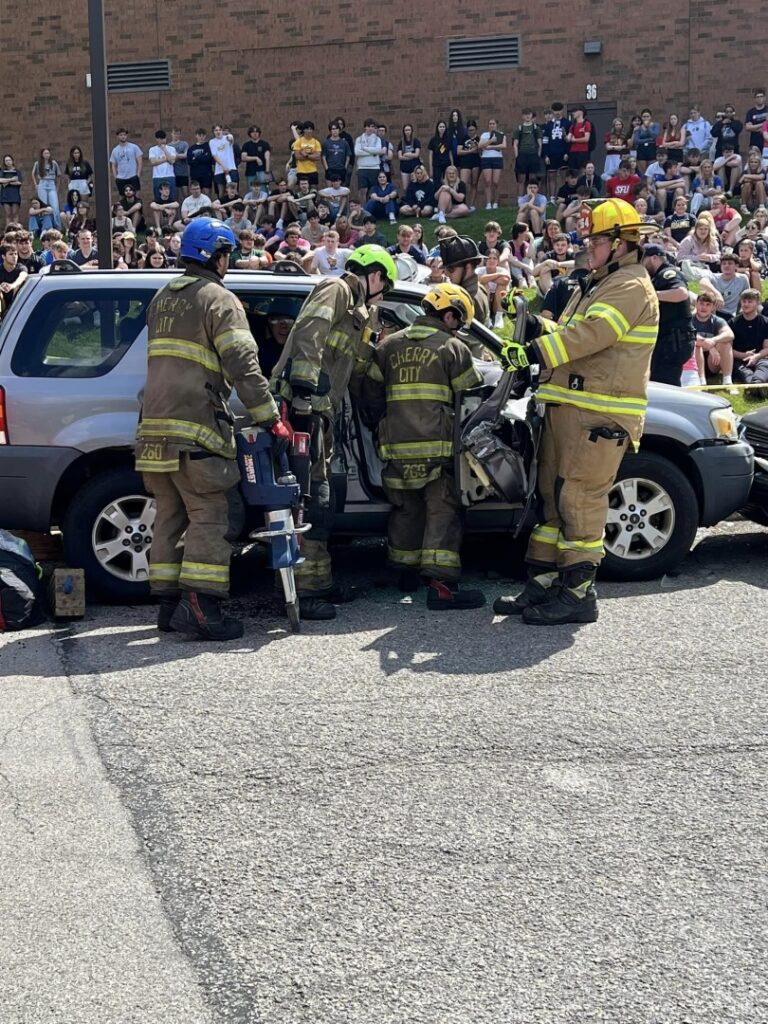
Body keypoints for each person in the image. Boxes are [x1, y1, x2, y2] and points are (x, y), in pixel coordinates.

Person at [493, 198, 658, 625]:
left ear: (620, 243)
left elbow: (592, 335)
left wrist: (533, 351)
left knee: (579, 499)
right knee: (553, 498)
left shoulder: (629, 285)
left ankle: (579, 595)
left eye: (597, 240)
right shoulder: (598, 283)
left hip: (599, 415)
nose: (589, 247)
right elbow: (568, 332)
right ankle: (545, 583)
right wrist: (533, 324)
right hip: (570, 408)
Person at [135, 217, 285, 641]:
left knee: (169, 514)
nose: (228, 262)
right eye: (226, 254)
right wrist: (270, 416)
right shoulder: (219, 299)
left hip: (153, 431)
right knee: (210, 514)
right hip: (196, 426)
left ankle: (169, 607)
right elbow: (243, 365)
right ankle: (202, 607)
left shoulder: (163, 298)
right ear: (215, 256)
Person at [269, 244, 397, 620]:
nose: (384, 294)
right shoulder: (336, 289)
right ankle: (301, 592)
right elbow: (310, 333)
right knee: (304, 499)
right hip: (301, 410)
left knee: (320, 496)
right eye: (385, 286)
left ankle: (318, 583)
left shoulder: (359, 313)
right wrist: (304, 394)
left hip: (320, 413)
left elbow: (352, 367)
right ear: (374, 275)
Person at [361, 283, 485, 609]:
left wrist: (384, 426)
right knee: (442, 512)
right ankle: (442, 587)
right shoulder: (452, 348)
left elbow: (370, 398)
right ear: (448, 315)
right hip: (438, 449)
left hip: (396, 449)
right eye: (457, 321)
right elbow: (471, 400)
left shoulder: (387, 346)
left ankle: (405, 573)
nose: (456, 328)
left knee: (406, 510)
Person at [641, 243, 695, 385]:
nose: (641, 265)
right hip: (667, 340)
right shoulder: (657, 277)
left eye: (642, 260)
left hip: (673, 341)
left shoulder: (668, 273)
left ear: (654, 258)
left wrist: (651, 295)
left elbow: (681, 293)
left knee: (664, 383)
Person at [438, 234, 490, 327]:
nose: (446, 274)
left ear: (467, 267)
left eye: (450, 269)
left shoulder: (465, 300)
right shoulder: (479, 288)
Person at [689, 292, 734, 386]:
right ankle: (701, 381)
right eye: (701, 303)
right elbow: (689, 335)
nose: (704, 307)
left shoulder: (718, 320)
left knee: (726, 344)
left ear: (713, 307)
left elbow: (730, 334)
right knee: (696, 345)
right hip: (693, 362)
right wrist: (709, 346)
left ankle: (727, 381)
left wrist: (713, 340)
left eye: (708, 305)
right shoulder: (689, 320)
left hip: (712, 361)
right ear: (696, 304)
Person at [731, 289, 768, 391]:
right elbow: (727, 349)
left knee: (764, 366)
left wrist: (756, 356)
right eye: (744, 301)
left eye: (750, 302)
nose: (746, 304)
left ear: (757, 303)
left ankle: (756, 384)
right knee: (744, 372)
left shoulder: (765, 322)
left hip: (760, 358)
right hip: (739, 360)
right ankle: (755, 387)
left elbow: (767, 348)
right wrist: (743, 355)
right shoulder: (733, 323)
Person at [478, 118, 506, 209]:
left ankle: (496, 202)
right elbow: (480, 146)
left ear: (496, 125)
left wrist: (489, 147)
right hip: (486, 159)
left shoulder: (501, 134)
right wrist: (491, 141)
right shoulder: (484, 135)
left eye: (493, 123)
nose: (491, 125)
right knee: (488, 181)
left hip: (497, 158)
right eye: (490, 124)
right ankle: (488, 203)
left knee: (496, 182)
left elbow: (503, 146)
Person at [109, 128, 143, 196]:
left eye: (124, 135)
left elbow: (139, 161)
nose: (123, 136)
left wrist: (138, 174)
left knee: (136, 195)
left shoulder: (134, 147)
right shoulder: (115, 150)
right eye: (121, 135)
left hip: (133, 176)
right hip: (121, 178)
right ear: (117, 136)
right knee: (122, 197)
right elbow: (113, 164)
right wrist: (116, 177)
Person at [0, 242, 28, 314]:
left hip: (17, 304)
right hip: (2, 303)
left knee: (18, 287)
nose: (14, 256)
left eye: (16, 254)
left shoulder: (21, 267)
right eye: (11, 254)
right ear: (3, 256)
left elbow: (23, 276)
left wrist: (12, 286)